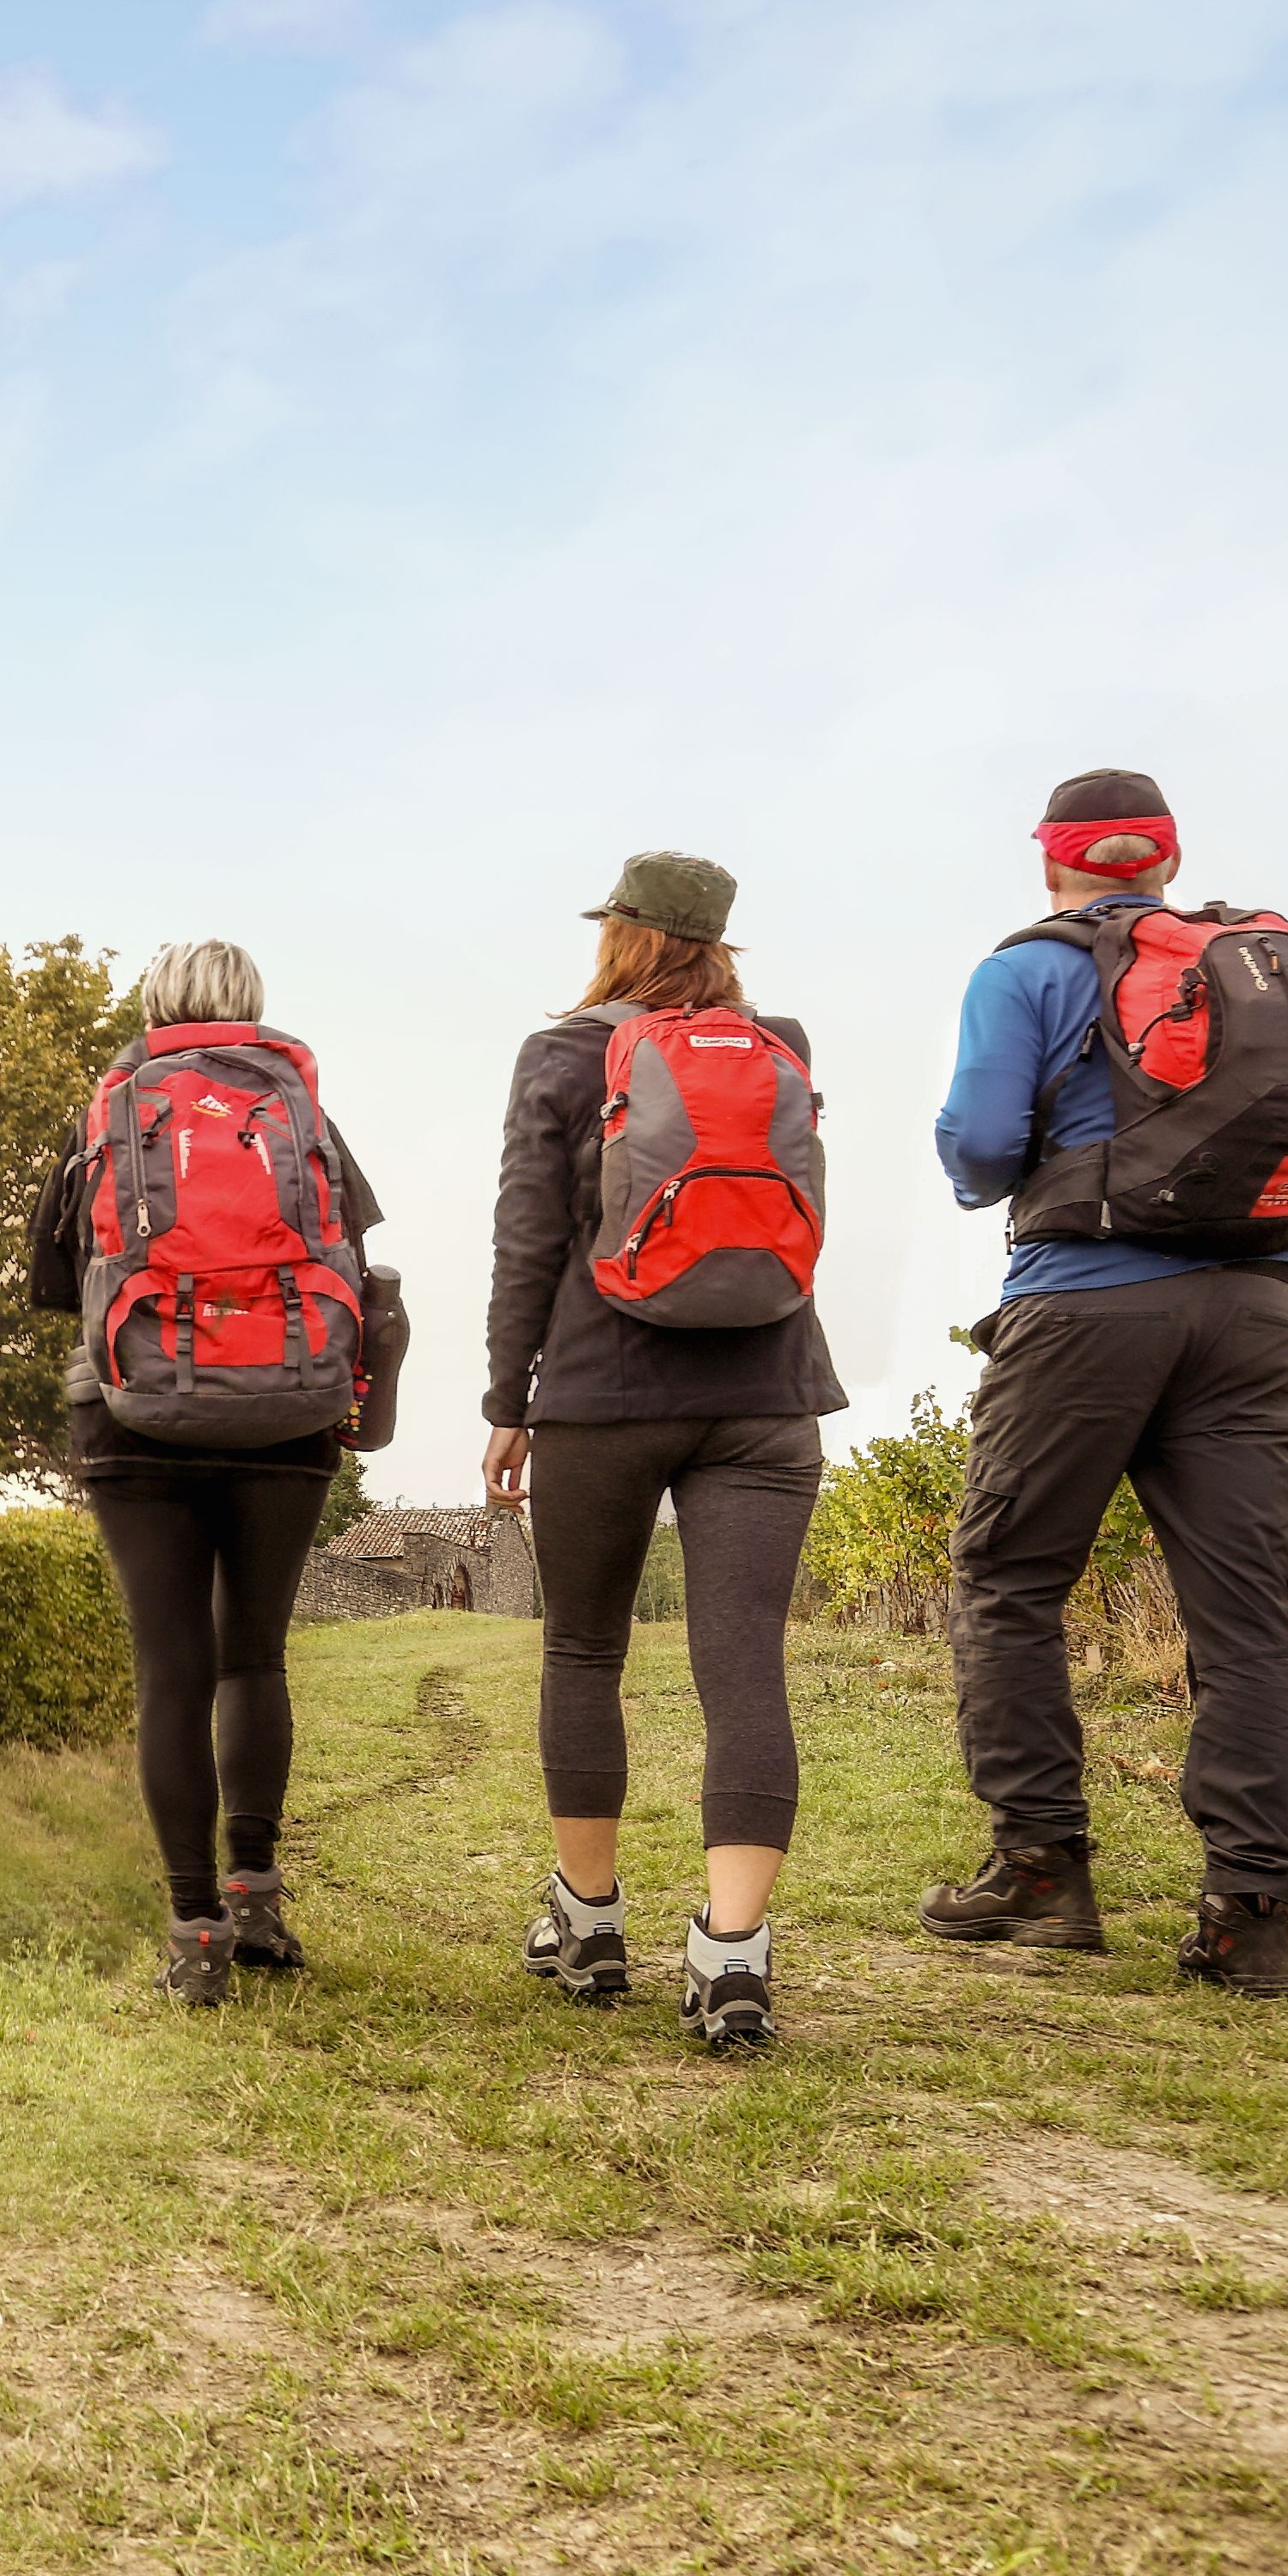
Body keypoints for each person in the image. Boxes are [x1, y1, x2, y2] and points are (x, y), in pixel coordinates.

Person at [919, 768, 1288, 1998]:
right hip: (1258, 1311)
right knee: (1243, 1619)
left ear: (1053, 863)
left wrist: (1035, 1164)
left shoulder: (1024, 970)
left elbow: (977, 1146)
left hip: (1083, 1306)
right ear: (1168, 860)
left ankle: (1041, 1871)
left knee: (1012, 1578)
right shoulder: (1269, 969)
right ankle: (1248, 1919)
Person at [482, 853, 845, 2049]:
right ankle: (733, 1955)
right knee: (743, 1664)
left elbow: (530, 1244)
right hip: (768, 1389)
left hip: (603, 1390)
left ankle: (588, 1925)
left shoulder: (563, 1056)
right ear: (717, 943)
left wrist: (507, 1400)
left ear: (621, 935)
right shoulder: (779, 1043)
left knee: (584, 1651)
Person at [29, 939, 384, 2006]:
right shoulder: (301, 1108)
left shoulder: (112, 1106)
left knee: (172, 1672)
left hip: (138, 1420)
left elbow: (52, 1280)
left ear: (156, 1004)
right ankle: (258, 1896)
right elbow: (352, 1253)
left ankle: (194, 1936)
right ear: (254, 1009)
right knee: (254, 1661)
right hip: (288, 1414)